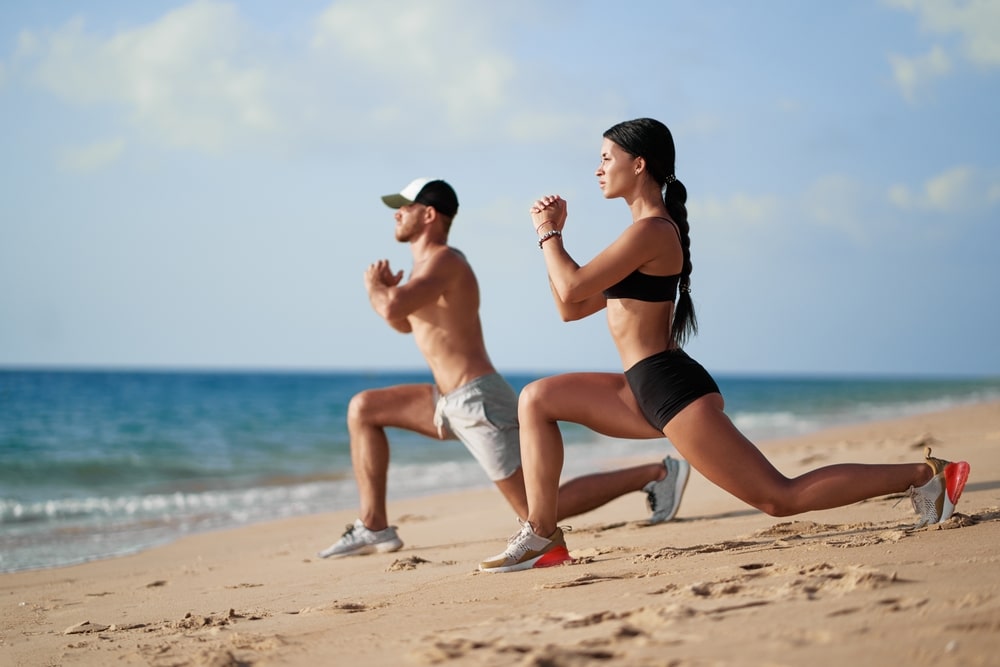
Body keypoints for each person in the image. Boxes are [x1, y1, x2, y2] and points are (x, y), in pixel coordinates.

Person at [478, 118, 971, 573]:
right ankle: (543, 535)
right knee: (536, 398)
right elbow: (571, 306)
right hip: (641, 385)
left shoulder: (652, 231)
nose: (598, 168)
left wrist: (549, 233)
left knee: (779, 498)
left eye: (607, 157)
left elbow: (569, 288)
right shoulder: (638, 235)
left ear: (639, 163)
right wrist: (554, 244)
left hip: (670, 388)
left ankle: (926, 475)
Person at [319, 177, 692, 559]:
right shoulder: (422, 272)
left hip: (477, 400)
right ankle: (374, 526)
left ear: (428, 214)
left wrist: (375, 289)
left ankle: (656, 473)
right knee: (364, 408)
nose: (397, 213)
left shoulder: (446, 261)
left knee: (538, 507)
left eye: (405, 206)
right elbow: (402, 322)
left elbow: (393, 309)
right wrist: (387, 292)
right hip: (445, 402)